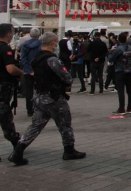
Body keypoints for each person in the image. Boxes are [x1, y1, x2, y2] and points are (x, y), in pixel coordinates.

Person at [8, 32, 86, 165]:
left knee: (35, 126)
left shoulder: (36, 58)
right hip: (53, 98)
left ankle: (18, 151)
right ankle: (69, 150)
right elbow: (66, 77)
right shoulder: (52, 59)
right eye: (56, 42)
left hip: (39, 97)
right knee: (65, 124)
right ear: (53, 43)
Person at [0, 23, 24, 162]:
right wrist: (20, 73)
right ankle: (17, 146)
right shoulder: (5, 49)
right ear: (8, 34)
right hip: (3, 88)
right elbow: (10, 69)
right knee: (5, 117)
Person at [108, 33, 131, 115]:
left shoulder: (118, 49)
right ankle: (130, 108)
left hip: (120, 71)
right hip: (130, 71)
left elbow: (111, 59)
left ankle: (121, 108)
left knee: (121, 90)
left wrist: (110, 51)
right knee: (129, 90)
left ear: (119, 40)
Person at [20, 28, 42, 117]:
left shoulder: (25, 45)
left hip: (27, 72)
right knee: (41, 91)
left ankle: (29, 110)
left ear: (30, 34)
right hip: (39, 71)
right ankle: (40, 108)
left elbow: (23, 58)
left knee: (29, 91)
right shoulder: (41, 45)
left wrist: (28, 70)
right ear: (39, 35)